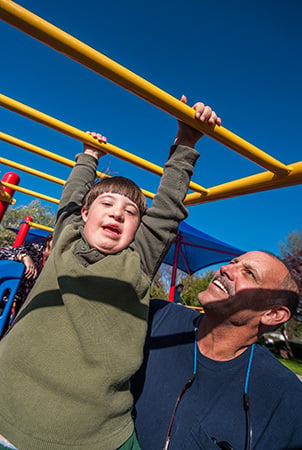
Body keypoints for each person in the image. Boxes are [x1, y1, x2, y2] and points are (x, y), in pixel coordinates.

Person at [0, 96, 221, 450]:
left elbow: (166, 211)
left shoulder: (137, 261)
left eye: (130, 211)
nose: (117, 213)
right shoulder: (65, 242)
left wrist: (187, 142)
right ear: (85, 215)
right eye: (107, 204)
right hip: (7, 406)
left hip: (94, 432)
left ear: (138, 229)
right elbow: (72, 196)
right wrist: (88, 156)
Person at [132, 251, 302, 450]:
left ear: (273, 314)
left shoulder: (286, 397)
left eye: (249, 273)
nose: (225, 269)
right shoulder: (156, 316)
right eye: (233, 262)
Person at [0, 234, 53, 334]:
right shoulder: (35, 250)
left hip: (25, 304)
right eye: (49, 247)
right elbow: (4, 252)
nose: (47, 252)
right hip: (7, 295)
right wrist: (24, 256)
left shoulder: (55, 264)